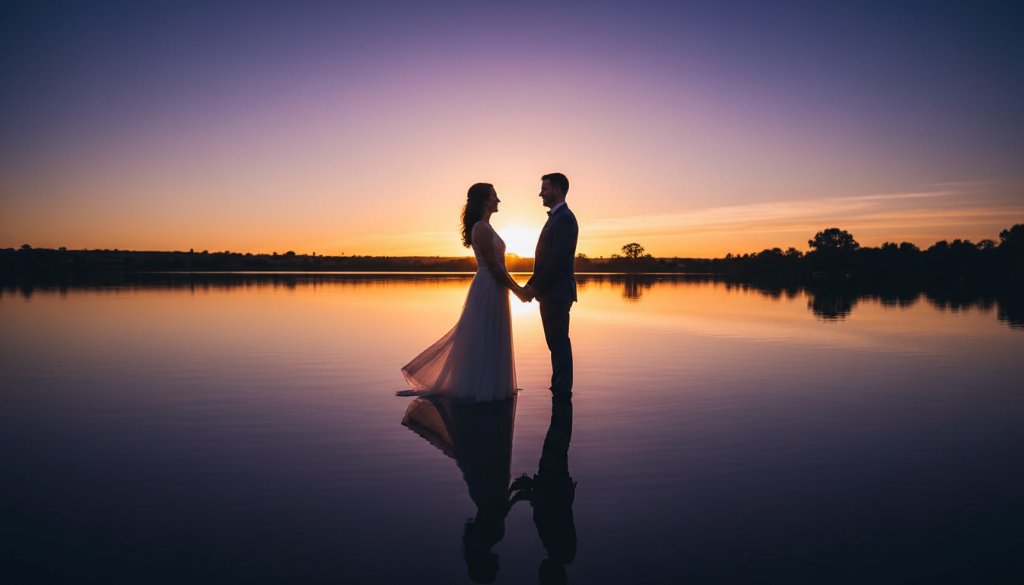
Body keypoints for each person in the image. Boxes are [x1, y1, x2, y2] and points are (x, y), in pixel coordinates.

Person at [399, 183, 530, 402]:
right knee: (481, 336)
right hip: (488, 286)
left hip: (495, 288)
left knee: (492, 335)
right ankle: (479, 388)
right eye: (494, 196)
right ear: (484, 201)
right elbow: (495, 267)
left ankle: (491, 385)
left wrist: (516, 289)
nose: (498, 200)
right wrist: (518, 290)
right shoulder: (480, 228)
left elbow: (500, 267)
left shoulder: (486, 227)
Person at [523, 173, 579, 396]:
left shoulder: (564, 218)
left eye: (544, 189)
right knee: (555, 343)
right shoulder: (557, 217)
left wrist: (534, 288)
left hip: (557, 293)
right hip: (551, 292)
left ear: (557, 189)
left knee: (558, 343)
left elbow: (557, 260)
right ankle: (559, 387)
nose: (540, 193)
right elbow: (546, 261)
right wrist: (530, 285)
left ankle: (562, 390)